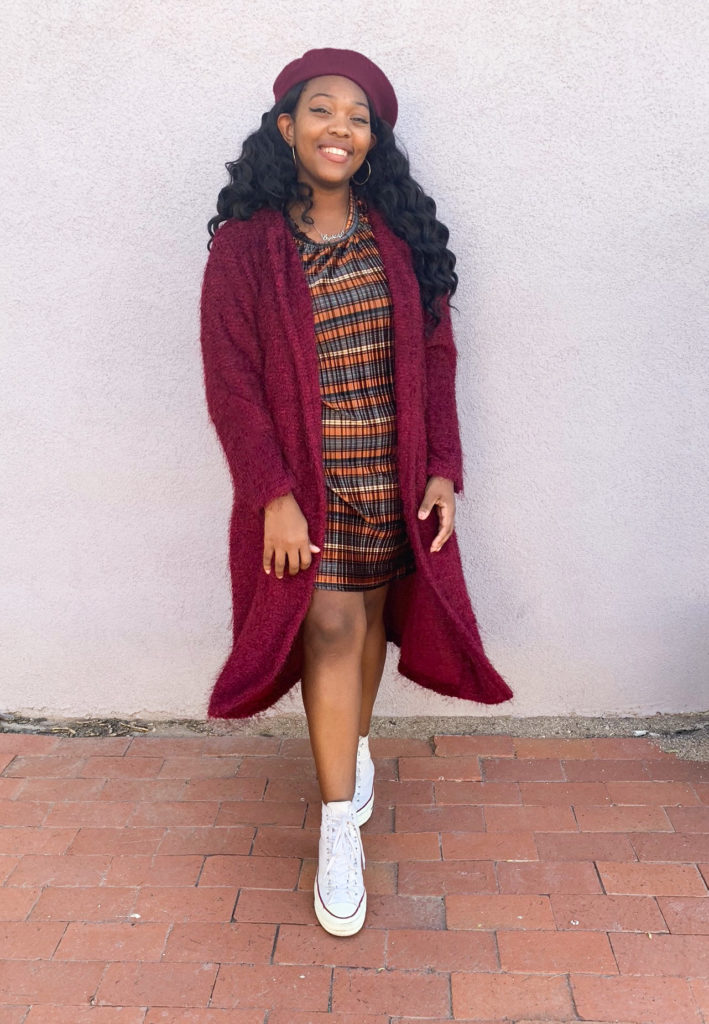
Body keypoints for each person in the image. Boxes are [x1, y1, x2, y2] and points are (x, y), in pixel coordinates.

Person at [200, 48, 513, 937]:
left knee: (370, 622)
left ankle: (357, 744)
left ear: (373, 141)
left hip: (391, 467)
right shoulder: (245, 246)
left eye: (358, 116)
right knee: (328, 625)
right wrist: (271, 494)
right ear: (285, 126)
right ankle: (340, 827)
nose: (339, 127)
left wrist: (444, 468)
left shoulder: (400, 237)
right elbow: (231, 382)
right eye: (322, 110)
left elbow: (438, 360)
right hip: (305, 480)